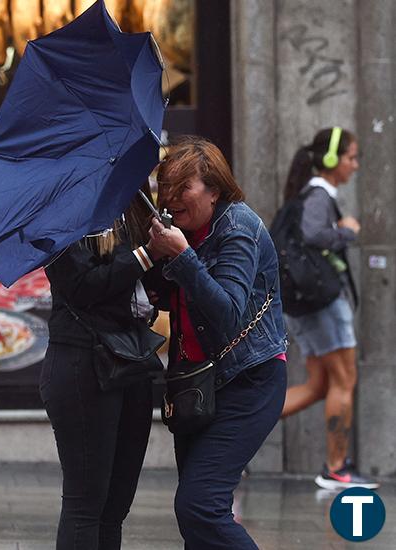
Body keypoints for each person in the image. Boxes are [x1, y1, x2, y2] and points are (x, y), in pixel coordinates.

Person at [145, 137, 287, 549]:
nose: (170, 197)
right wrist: (156, 257)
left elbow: (227, 314)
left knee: (199, 506)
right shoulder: (181, 230)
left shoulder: (238, 227)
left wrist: (181, 256)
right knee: (198, 521)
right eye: (164, 186)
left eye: (182, 187)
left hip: (249, 380)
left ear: (214, 189)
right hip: (196, 384)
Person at [40, 189, 160, 550]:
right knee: (86, 504)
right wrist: (144, 256)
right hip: (83, 362)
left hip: (132, 361)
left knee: (115, 507)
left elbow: (134, 281)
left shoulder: (130, 201)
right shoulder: (60, 207)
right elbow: (80, 285)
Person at [278, 127, 377, 490]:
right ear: (332, 160)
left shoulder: (310, 194)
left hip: (308, 305)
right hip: (323, 305)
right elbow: (314, 234)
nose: (355, 165)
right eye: (352, 157)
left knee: (320, 385)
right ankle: (336, 468)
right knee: (344, 380)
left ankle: (237, 423)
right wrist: (347, 231)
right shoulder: (319, 195)